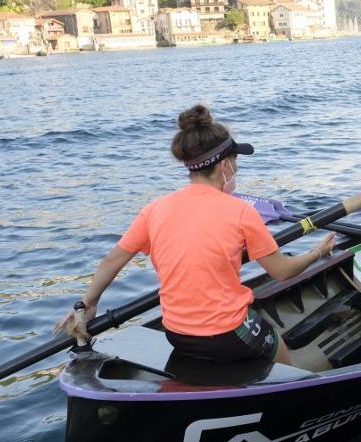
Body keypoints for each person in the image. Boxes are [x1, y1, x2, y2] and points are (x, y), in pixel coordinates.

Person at [54, 104, 335, 366]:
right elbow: (282, 272)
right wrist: (318, 252)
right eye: (235, 160)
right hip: (228, 333)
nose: (236, 167)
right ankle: (288, 389)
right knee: (279, 348)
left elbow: (111, 261)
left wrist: (88, 305)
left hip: (176, 332)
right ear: (225, 165)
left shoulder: (154, 209)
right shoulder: (240, 211)